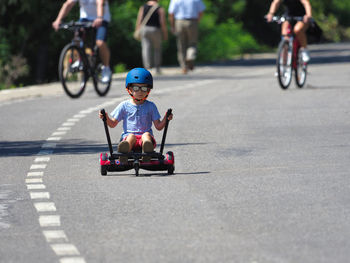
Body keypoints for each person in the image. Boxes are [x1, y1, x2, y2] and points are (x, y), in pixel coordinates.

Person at [98, 68, 173, 163]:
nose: (140, 92)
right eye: (136, 88)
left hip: (145, 138)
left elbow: (158, 126)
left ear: (148, 90)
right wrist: (106, 118)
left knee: (146, 135)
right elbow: (112, 124)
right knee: (131, 136)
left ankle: (147, 151)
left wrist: (166, 118)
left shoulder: (151, 106)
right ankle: (124, 152)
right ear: (129, 89)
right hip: (129, 137)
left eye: (144, 88)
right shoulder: (124, 106)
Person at [52, 0, 112, 83]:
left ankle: (106, 68)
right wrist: (58, 19)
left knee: (100, 43)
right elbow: (68, 4)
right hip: (85, 18)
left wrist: (99, 18)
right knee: (77, 36)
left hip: (102, 18)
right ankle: (79, 61)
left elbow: (100, 3)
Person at [168, 0, 205, 74]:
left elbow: (171, 13)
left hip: (179, 22)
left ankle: (184, 67)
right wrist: (197, 21)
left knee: (181, 46)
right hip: (192, 21)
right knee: (192, 43)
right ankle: (190, 56)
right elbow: (201, 11)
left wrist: (172, 26)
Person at [135, 0, 168, 75]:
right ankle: (157, 68)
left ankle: (147, 68)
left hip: (145, 29)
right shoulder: (159, 8)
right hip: (155, 30)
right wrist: (165, 33)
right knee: (157, 49)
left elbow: (139, 20)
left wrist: (137, 30)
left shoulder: (143, 7)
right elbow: (162, 22)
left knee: (146, 49)